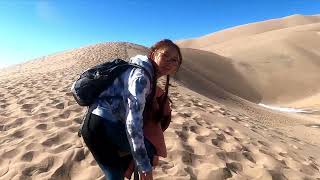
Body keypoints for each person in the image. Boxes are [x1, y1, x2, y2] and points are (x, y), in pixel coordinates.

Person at [80, 39, 182, 180]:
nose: (169, 62)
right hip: (102, 125)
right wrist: (145, 167)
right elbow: (133, 124)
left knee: (115, 175)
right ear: (153, 54)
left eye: (175, 60)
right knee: (148, 150)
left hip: (95, 124)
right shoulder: (141, 77)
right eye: (165, 56)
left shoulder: (142, 71)